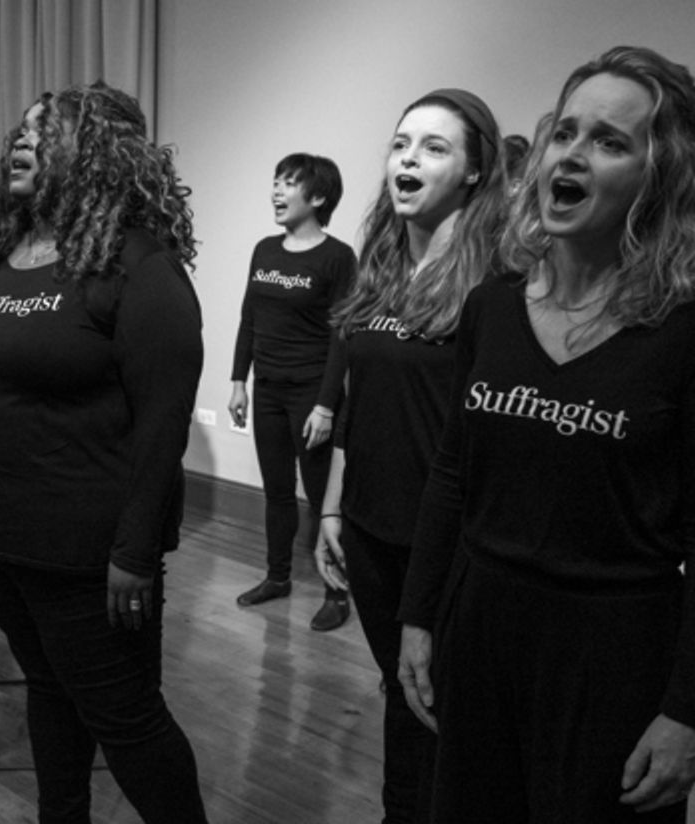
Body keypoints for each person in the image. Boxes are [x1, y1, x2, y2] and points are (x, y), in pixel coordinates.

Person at [398, 46, 695, 823]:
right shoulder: (491, 308)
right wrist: (419, 618)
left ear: (659, 176)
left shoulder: (681, 332)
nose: (572, 153)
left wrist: (688, 712)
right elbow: (453, 475)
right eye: (566, 131)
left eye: (610, 141)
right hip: (481, 629)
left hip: (616, 657)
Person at [0, 82, 208, 823]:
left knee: (127, 720)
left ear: (99, 154)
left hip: (88, 557)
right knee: (48, 689)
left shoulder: (138, 267)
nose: (22, 138)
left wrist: (136, 552)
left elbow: (162, 427)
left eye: (45, 131)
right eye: (21, 128)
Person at [314, 89, 506, 823]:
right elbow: (359, 394)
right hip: (369, 524)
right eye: (400, 145)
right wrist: (332, 502)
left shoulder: (500, 277)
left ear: (474, 172)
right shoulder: (382, 262)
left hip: (451, 539)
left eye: (432, 147)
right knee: (401, 692)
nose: (408, 159)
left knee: (448, 708)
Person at [228, 153, 356, 632]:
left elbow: (341, 335)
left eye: (288, 184)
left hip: (311, 394)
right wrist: (239, 380)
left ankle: (336, 593)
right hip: (267, 392)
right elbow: (249, 318)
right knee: (277, 490)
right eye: (275, 182)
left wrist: (326, 405)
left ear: (318, 196)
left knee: (324, 496)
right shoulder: (265, 249)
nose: (276, 192)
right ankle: (277, 577)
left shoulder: (336, 257)